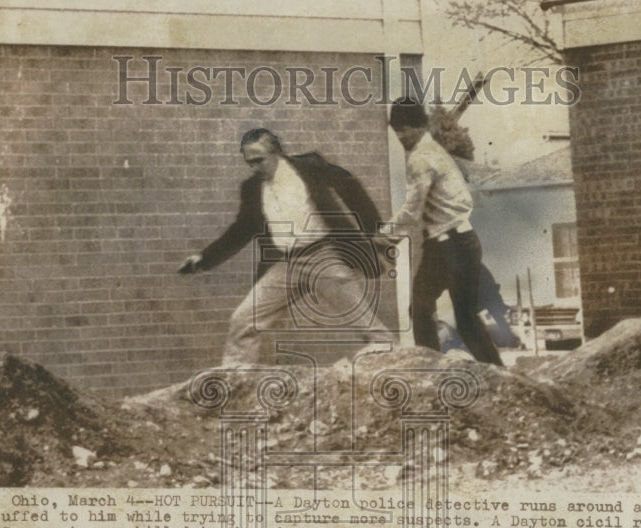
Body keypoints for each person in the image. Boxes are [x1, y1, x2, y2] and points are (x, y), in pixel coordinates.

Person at [179, 128, 388, 365]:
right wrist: (204, 259)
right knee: (243, 320)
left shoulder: (310, 166)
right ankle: (236, 377)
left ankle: (391, 360)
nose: (255, 168)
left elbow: (352, 189)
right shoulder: (252, 189)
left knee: (366, 323)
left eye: (259, 160)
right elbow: (240, 231)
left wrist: (376, 232)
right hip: (286, 265)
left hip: (323, 257)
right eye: (249, 162)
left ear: (275, 152)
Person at [384, 98, 503, 366]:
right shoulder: (434, 150)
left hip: (449, 245)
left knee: (424, 307)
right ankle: (499, 373)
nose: (401, 136)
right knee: (463, 318)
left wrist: (383, 234)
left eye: (405, 129)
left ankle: (431, 371)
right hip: (462, 241)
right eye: (397, 130)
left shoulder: (420, 158)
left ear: (419, 126)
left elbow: (413, 211)